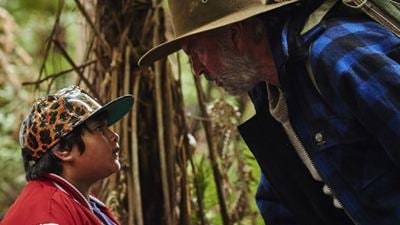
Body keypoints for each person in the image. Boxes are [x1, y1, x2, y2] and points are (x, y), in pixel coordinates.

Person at [138, 0, 400, 224]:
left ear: (234, 34)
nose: (197, 69)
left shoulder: (335, 56)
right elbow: (282, 199)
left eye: (195, 51)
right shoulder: (269, 91)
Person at [1, 85, 134, 225]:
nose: (114, 136)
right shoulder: (49, 214)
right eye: (99, 128)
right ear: (63, 149)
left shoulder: (80, 203)